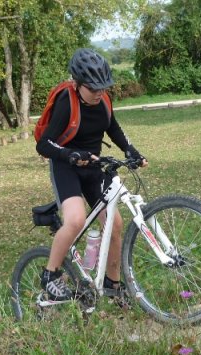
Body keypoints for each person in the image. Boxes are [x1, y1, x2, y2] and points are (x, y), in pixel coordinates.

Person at [36, 48, 148, 301]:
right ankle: (50, 275)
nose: (99, 93)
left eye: (103, 88)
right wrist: (70, 155)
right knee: (75, 221)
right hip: (67, 168)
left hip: (94, 167)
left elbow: (114, 129)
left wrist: (133, 152)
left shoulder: (104, 101)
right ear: (77, 84)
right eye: (93, 88)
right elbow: (44, 144)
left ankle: (112, 285)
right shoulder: (67, 101)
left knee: (115, 224)